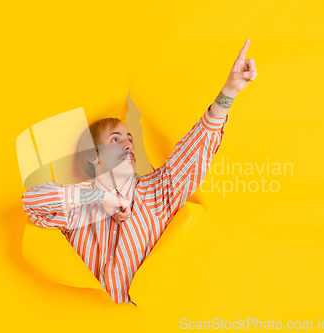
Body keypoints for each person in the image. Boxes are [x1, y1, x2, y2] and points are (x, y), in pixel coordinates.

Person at [22, 39, 257, 305]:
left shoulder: (157, 192)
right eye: (115, 139)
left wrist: (228, 93)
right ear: (94, 156)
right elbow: (32, 203)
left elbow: (194, 153)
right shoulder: (77, 203)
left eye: (130, 139)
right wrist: (99, 199)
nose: (128, 144)